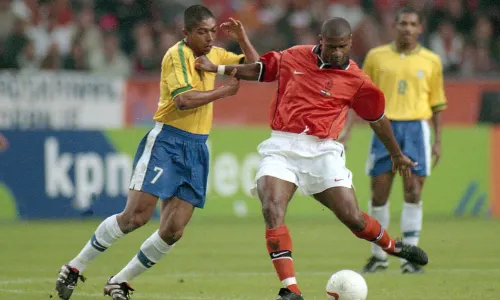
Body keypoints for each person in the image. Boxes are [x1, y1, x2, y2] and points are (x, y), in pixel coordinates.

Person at [195, 17, 428, 300]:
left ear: (350, 43)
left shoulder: (357, 80)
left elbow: (377, 119)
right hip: (282, 145)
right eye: (331, 46)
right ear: (321, 40)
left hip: (323, 151)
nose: (336, 52)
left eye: (342, 47)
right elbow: (261, 70)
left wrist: (397, 154)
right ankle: (290, 289)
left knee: (353, 218)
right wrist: (217, 68)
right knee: (272, 206)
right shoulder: (294, 56)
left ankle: (393, 247)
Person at [54, 5, 259, 300]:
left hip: (198, 147)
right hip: (168, 142)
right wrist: (223, 92)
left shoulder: (214, 54)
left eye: (213, 31)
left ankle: (119, 282)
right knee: (135, 217)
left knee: (174, 229)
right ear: (186, 33)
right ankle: (74, 267)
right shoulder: (176, 55)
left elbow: (257, 68)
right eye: (202, 32)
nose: (210, 37)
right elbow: (184, 101)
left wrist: (241, 38)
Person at [343, 7, 446, 274]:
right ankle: (379, 256)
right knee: (379, 193)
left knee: (413, 191)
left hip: (416, 129)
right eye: (403, 23)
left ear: (420, 28)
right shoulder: (377, 57)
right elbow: (360, 94)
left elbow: (436, 104)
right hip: (383, 127)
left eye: (412, 24)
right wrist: (348, 129)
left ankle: (410, 258)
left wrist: (438, 140)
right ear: (395, 26)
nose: (407, 28)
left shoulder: (431, 60)